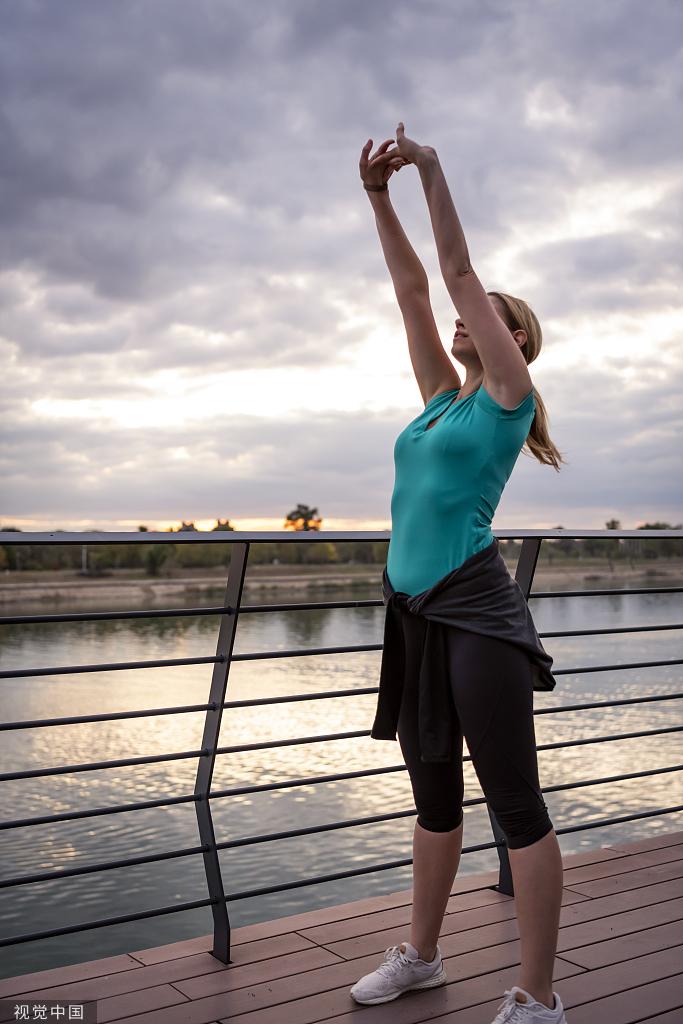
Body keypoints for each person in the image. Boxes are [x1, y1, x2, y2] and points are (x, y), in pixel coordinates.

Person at [350, 124, 569, 1024]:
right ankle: (424, 958)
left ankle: (537, 997)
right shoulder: (441, 403)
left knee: (513, 801)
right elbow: (412, 290)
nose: (467, 321)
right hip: (412, 614)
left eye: (490, 320)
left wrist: (431, 171)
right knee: (433, 796)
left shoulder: (505, 400)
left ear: (513, 340)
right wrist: (375, 198)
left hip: (476, 614)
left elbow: (454, 276)